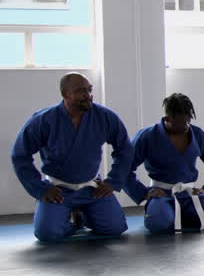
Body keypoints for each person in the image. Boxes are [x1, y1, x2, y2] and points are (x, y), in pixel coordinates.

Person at [10, 72, 132, 242]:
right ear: (65, 94)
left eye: (89, 90)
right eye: (81, 91)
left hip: (91, 188)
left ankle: (83, 214)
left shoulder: (105, 117)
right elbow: (20, 155)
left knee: (115, 228)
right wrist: (40, 189)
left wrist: (113, 181)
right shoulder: (43, 120)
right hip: (58, 189)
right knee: (47, 234)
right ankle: (71, 222)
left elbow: (125, 149)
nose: (88, 95)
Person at [125, 93, 204, 233]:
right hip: (161, 194)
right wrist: (143, 193)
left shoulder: (197, 135)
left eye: (188, 120)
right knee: (158, 223)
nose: (186, 125)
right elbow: (124, 167)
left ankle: (179, 214)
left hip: (188, 193)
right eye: (181, 122)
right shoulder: (148, 136)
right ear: (167, 119)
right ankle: (163, 212)